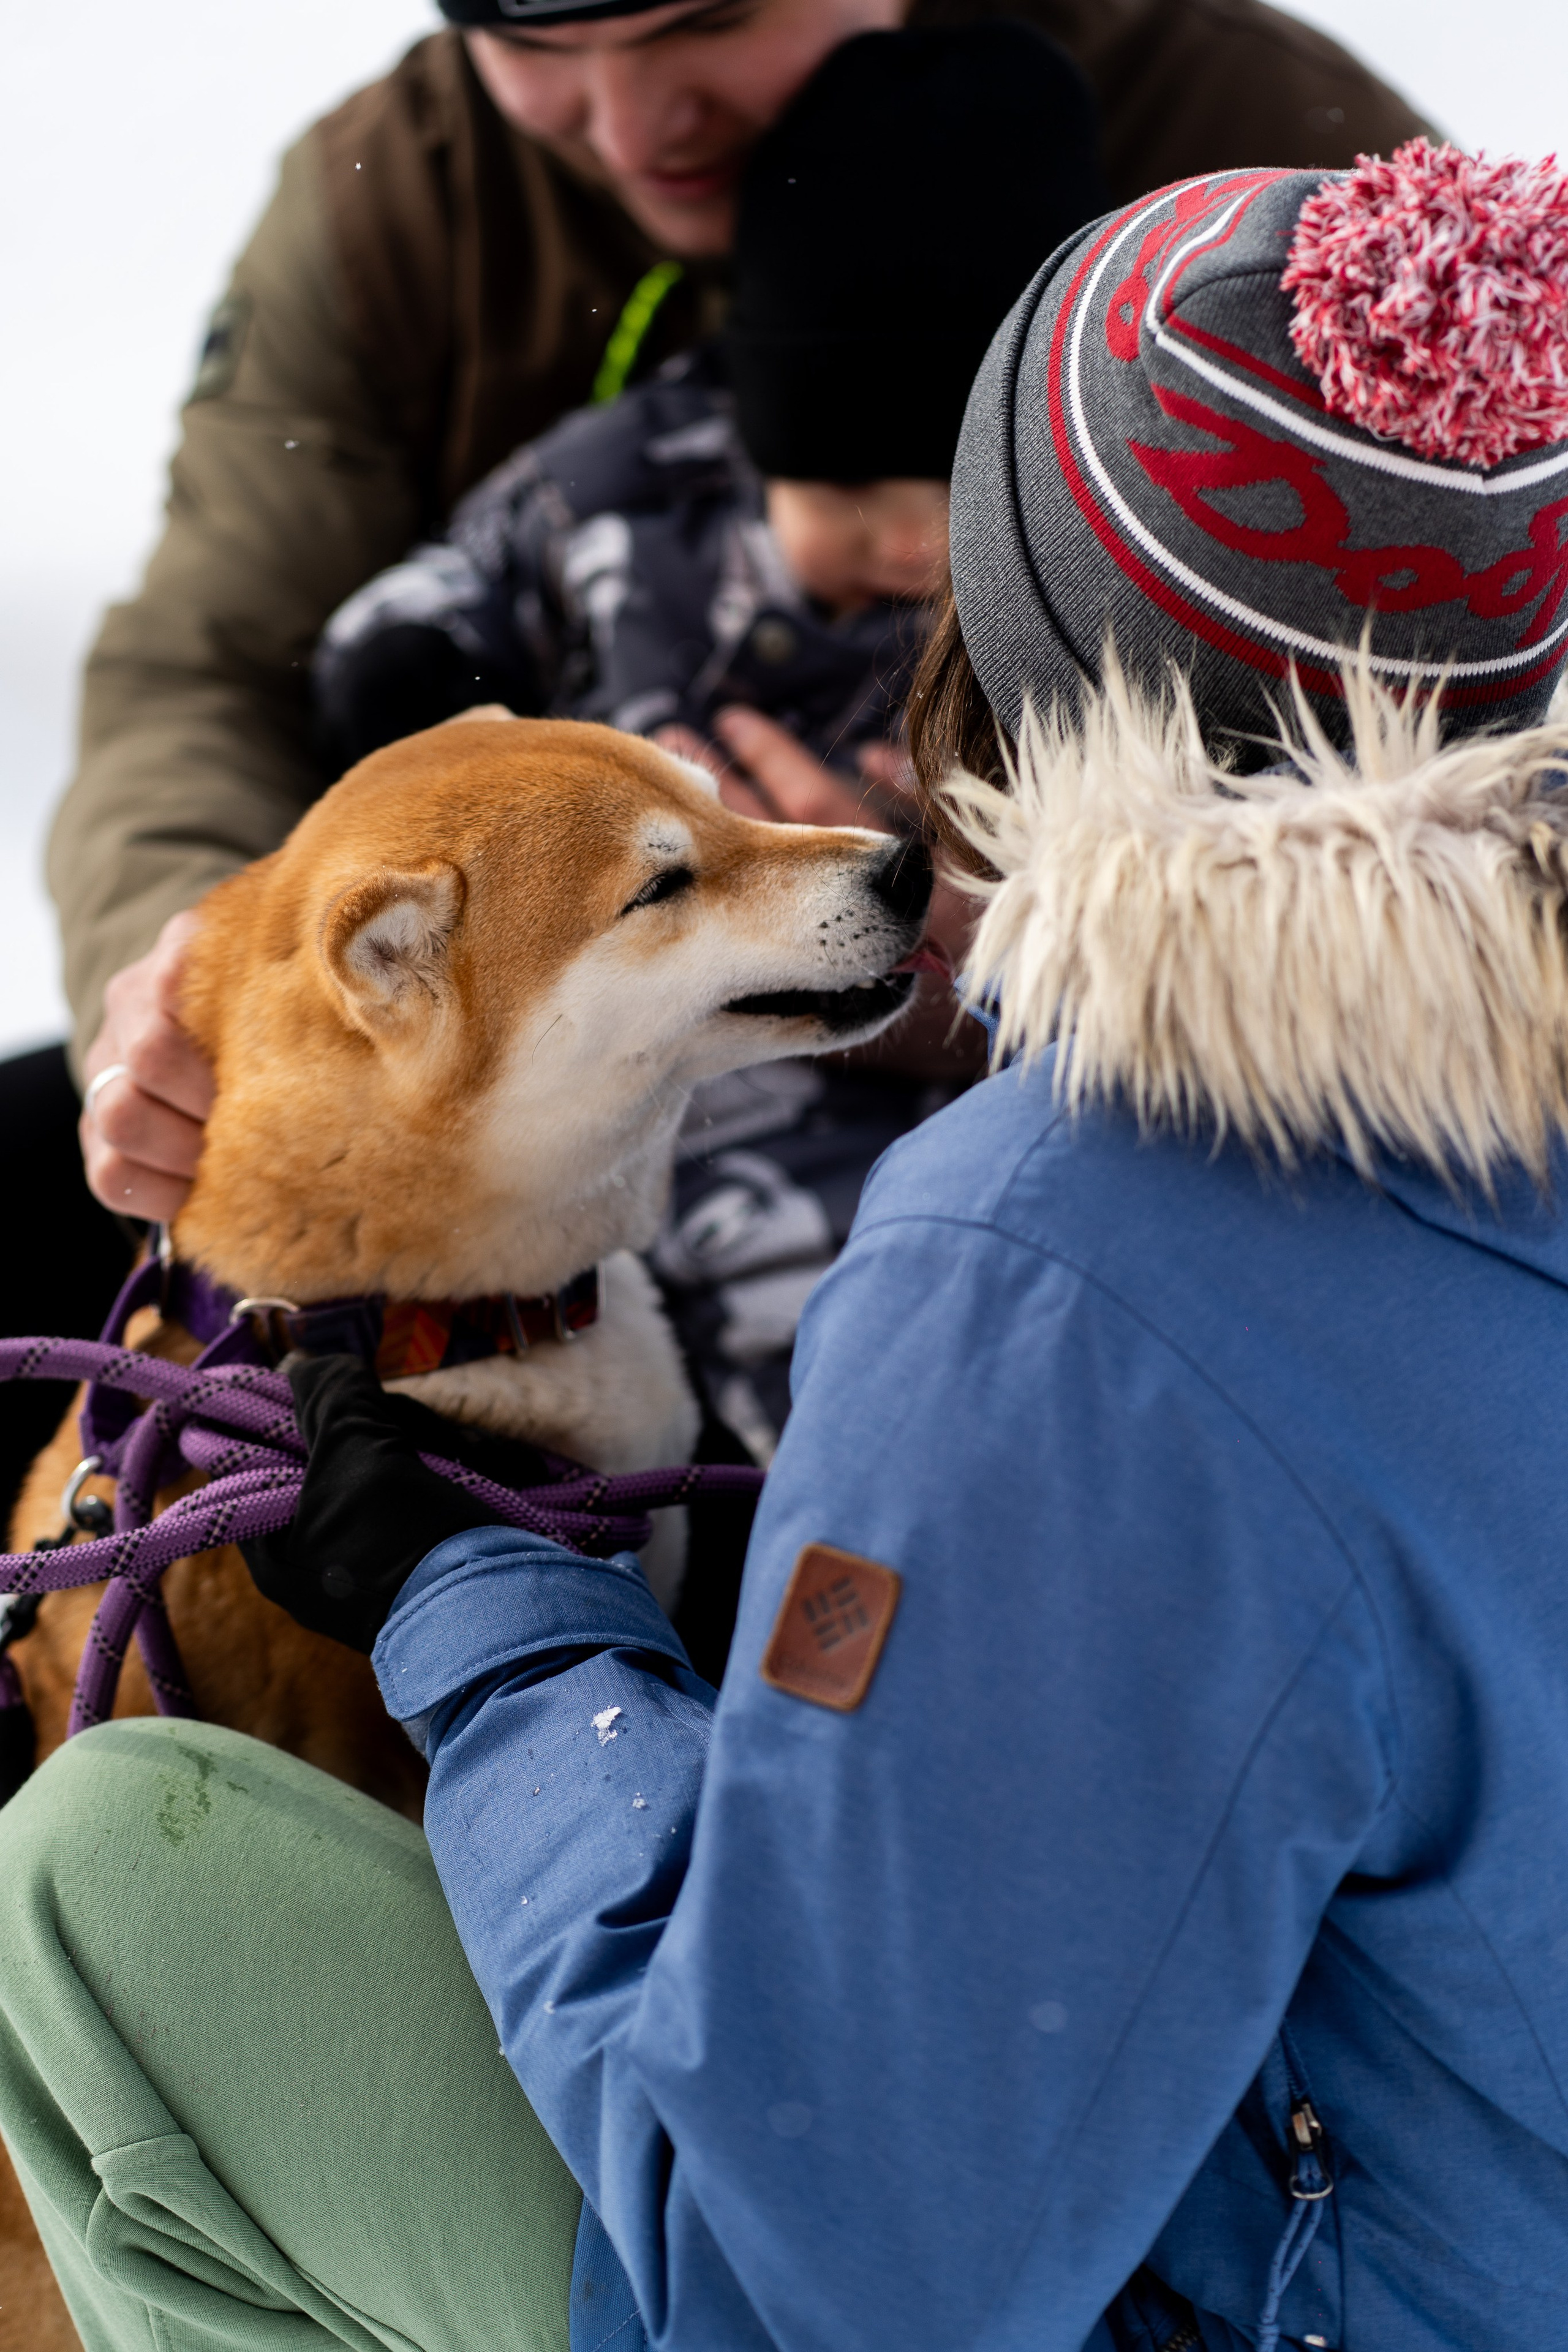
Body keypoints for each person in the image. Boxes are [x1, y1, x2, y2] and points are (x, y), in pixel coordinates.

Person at [8, 137, 1568, 2351]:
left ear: (1032, 647)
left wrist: (497, 1627)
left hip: (1229, 2290)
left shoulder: (1044, 1269)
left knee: (93, 1880)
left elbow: (808, 2270)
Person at [0, 0, 1432, 1513]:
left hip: (1139, 1119)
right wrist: (212, 996)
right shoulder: (406, 196)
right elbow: (206, 671)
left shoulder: (1272, 168)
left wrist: (1092, 963)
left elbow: (1476, 771)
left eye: (708, 18)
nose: (627, 128)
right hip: (551, 1080)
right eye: (539, 49)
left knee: (965, 1384)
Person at [310, 21, 1106, 1449]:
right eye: (848, 481)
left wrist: (1039, 951)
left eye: (949, 486)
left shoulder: (1073, 588)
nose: (907, 539)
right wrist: (412, 682)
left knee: (903, 1325)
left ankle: (851, 1521)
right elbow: (459, 582)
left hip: (919, 1112)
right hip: (619, 1081)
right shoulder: (626, 494)